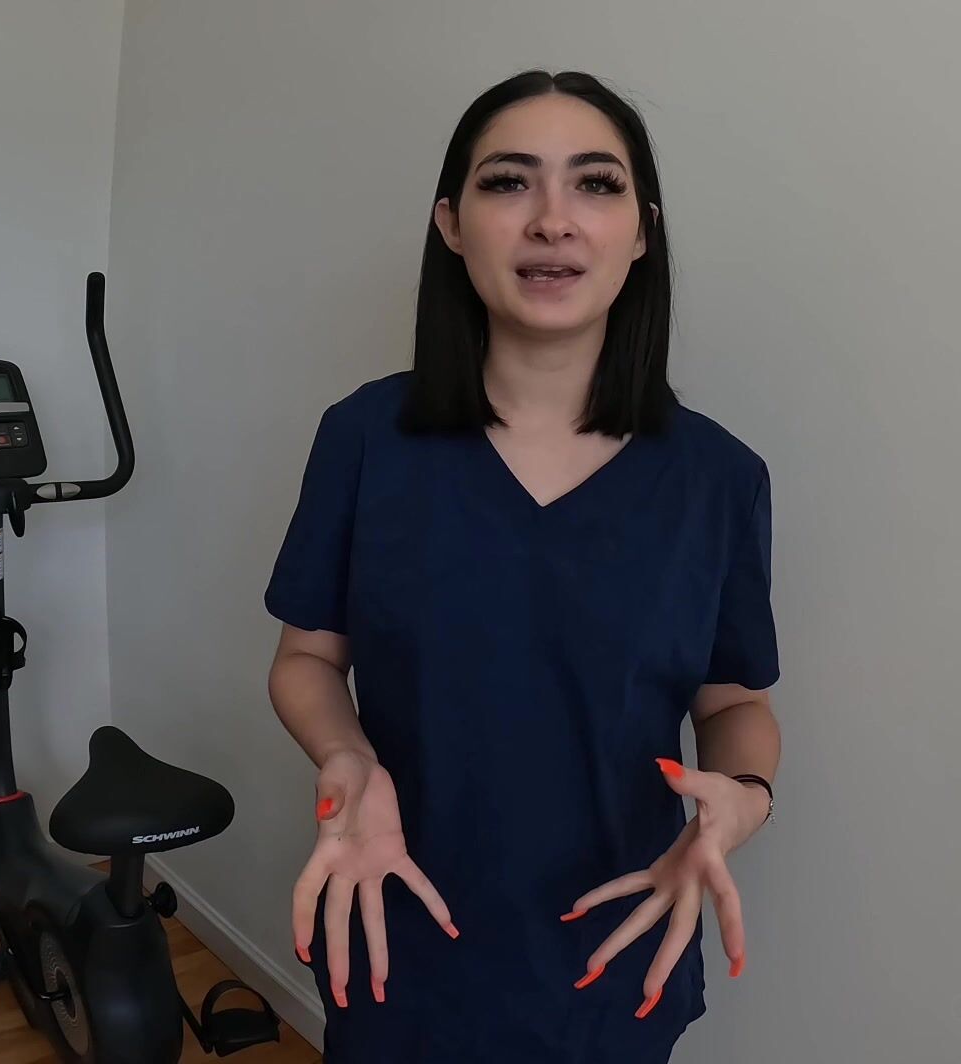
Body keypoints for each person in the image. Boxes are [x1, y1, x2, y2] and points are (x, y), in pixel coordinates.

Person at [263, 68, 782, 1064]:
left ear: (642, 232)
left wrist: (745, 797)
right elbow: (306, 661)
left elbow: (735, 704)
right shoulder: (367, 437)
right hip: (397, 923)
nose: (552, 219)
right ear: (452, 226)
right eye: (508, 182)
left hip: (617, 945)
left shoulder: (719, 478)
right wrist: (347, 760)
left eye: (596, 183)